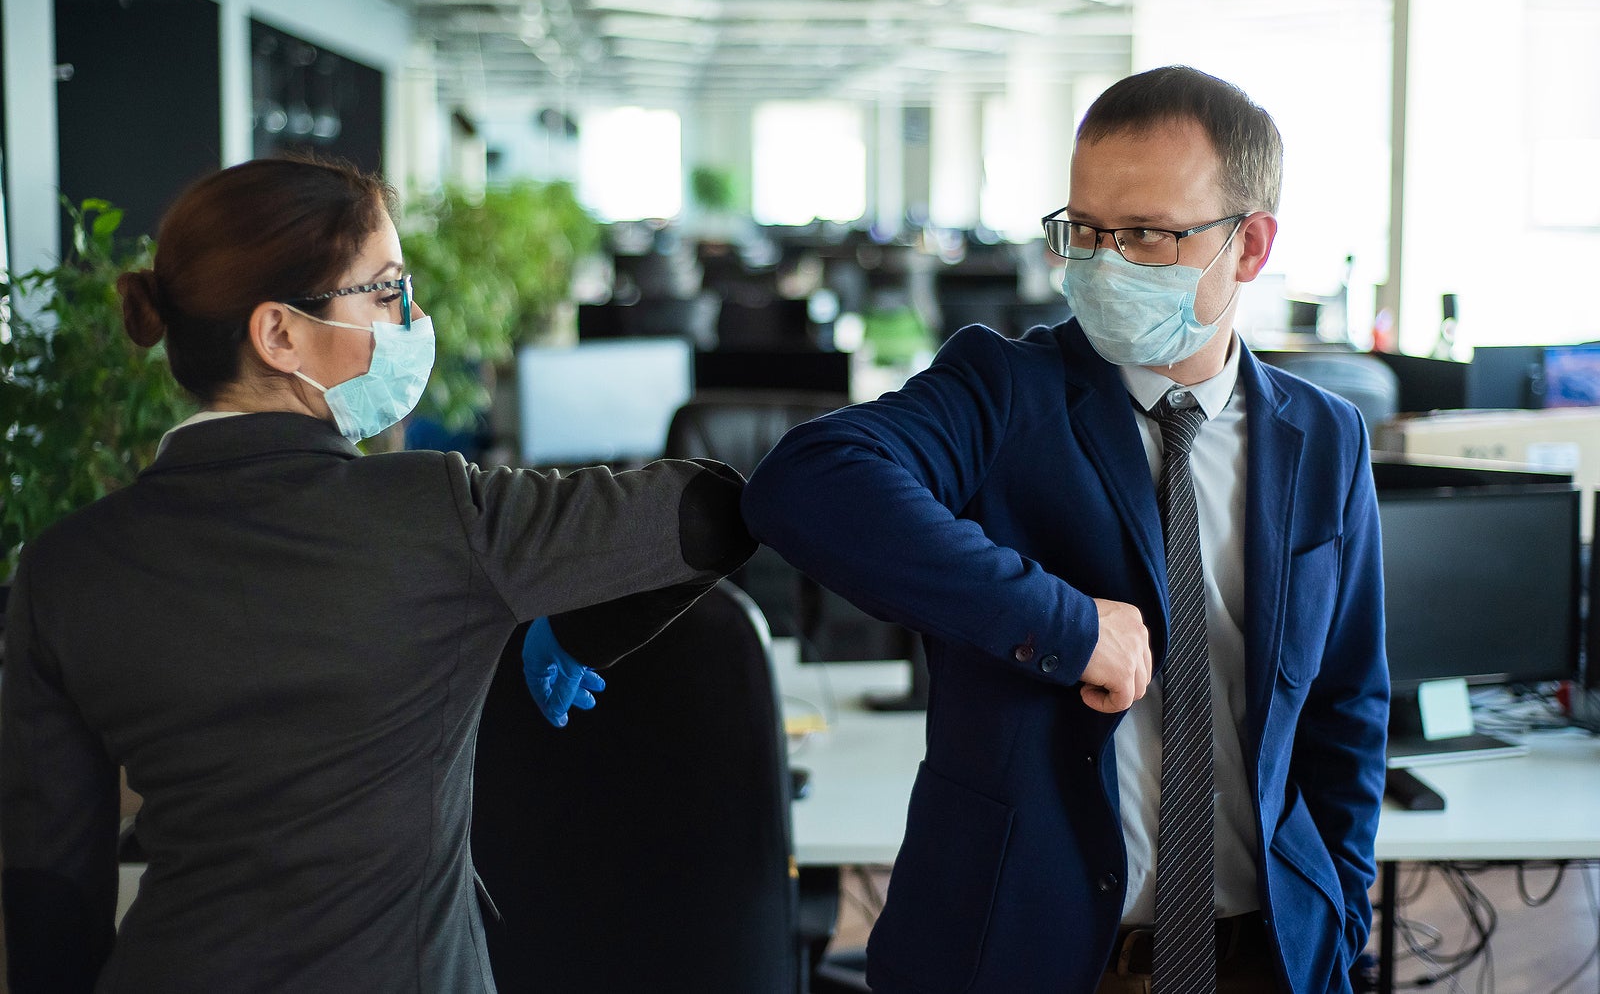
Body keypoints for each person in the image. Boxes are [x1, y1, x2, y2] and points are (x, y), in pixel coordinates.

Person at [0, 156, 755, 992]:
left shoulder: (63, 570)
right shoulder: (439, 515)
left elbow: (49, 884)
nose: (415, 318)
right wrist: (578, 626)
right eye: (386, 291)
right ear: (279, 333)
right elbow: (715, 513)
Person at [743, 66, 1387, 993]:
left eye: (1144, 235)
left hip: (1266, 954)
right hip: (1034, 952)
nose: (1101, 262)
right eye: (1082, 230)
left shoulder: (1324, 438)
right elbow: (806, 484)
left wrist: (1341, 909)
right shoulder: (1004, 389)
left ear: (1249, 248)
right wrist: (1071, 628)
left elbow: (1346, 704)